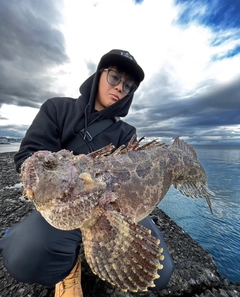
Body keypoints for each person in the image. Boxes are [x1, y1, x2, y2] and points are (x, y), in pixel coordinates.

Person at [0, 49, 174, 297]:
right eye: (114, 77)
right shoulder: (57, 108)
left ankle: (95, 249)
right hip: (62, 207)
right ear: (99, 75)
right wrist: (59, 189)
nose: (119, 88)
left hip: (111, 206)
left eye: (127, 86)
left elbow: (135, 174)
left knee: (160, 272)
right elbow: (29, 156)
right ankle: (68, 268)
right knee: (23, 259)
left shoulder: (127, 132)